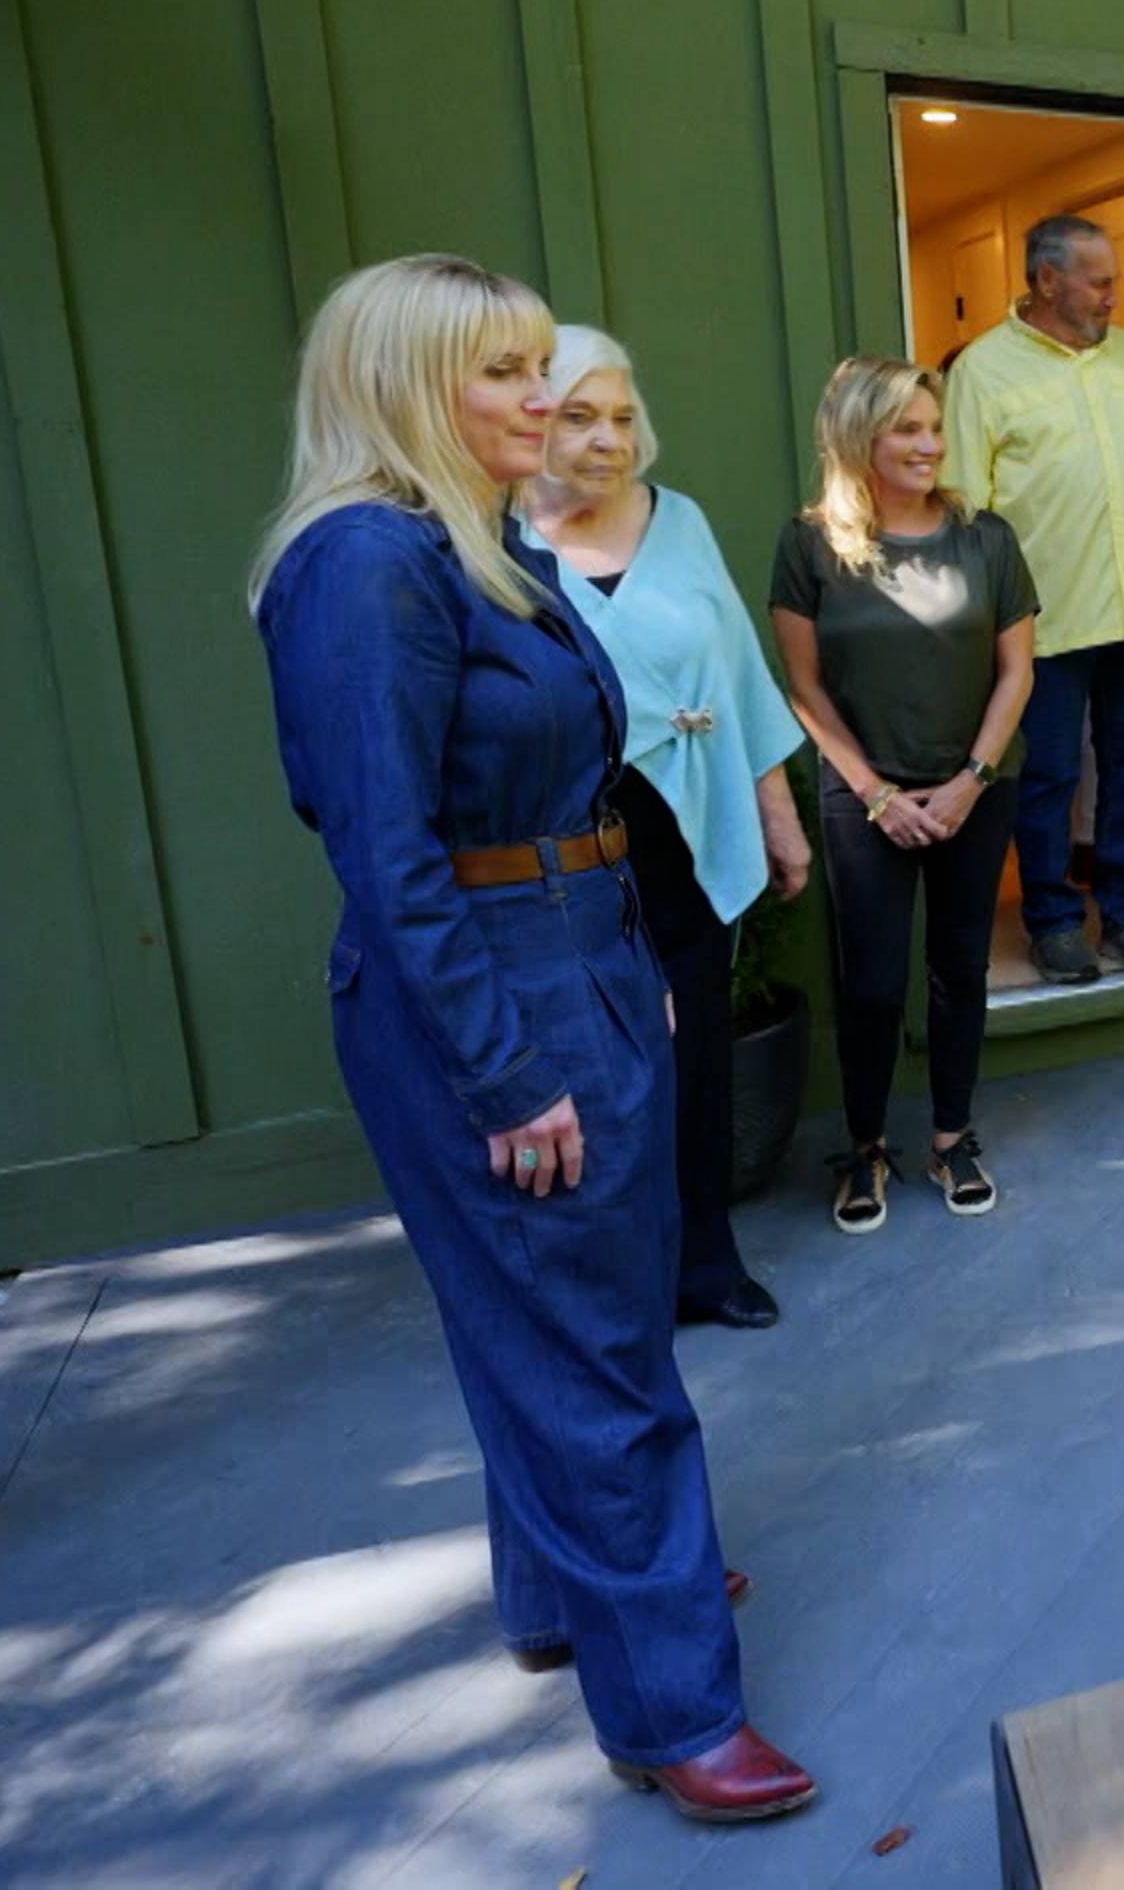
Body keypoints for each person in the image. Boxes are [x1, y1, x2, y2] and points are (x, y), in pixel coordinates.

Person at [250, 255, 811, 1824]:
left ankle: (579, 1595)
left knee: (559, 1306)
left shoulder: (478, 545)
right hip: (488, 981)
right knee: (598, 1346)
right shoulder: (367, 565)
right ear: (406, 387)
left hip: (579, 942)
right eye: (502, 373)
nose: (541, 399)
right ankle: (676, 1704)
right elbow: (386, 849)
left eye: (536, 367)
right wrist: (507, 1069)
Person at [516, 327, 812, 1330]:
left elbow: (737, 671)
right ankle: (613, 1274)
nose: (607, 439)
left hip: (685, 830)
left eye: (622, 417)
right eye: (578, 415)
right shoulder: (492, 537)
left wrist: (775, 812)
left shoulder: (675, 520)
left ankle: (706, 1264)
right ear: (534, 421)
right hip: (563, 842)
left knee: (696, 1056)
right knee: (591, 1056)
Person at [773, 357, 1037, 1226]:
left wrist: (970, 781)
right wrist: (876, 793)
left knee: (960, 969)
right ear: (860, 438)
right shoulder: (810, 544)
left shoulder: (986, 537)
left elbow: (1016, 672)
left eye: (934, 427)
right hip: (864, 796)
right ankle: (863, 1147)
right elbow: (804, 688)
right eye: (908, 430)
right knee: (874, 983)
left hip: (974, 789)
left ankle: (952, 1137)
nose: (931, 445)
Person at [942, 213, 1124, 986]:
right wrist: (984, 624)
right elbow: (964, 512)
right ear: (1047, 280)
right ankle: (1051, 920)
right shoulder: (982, 371)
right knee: (1047, 774)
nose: (1115, 296)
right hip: (1042, 621)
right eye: (1101, 280)